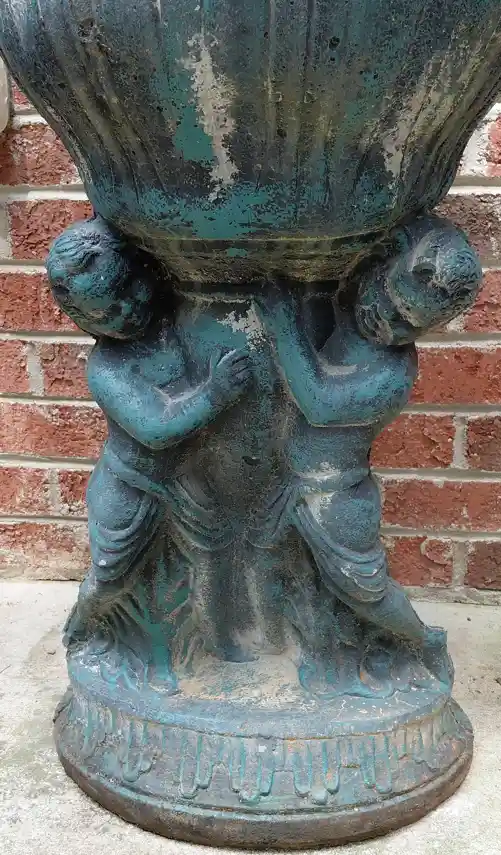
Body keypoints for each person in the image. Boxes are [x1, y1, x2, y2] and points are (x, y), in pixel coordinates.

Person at [253, 214, 481, 687]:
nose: (388, 325)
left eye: (407, 326)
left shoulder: (393, 373)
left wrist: (283, 327)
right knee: (280, 569)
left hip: (336, 497)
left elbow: (318, 403)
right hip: (293, 484)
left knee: (364, 588)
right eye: (390, 302)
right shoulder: (350, 318)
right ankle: (295, 647)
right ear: (378, 267)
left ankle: (423, 640)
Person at [47, 216, 253, 669]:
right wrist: (214, 394)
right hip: (130, 486)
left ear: (146, 272)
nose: (126, 312)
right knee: (113, 572)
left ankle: (219, 637)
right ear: (82, 319)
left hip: (188, 480)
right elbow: (156, 429)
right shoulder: (108, 367)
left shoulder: (175, 326)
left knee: (215, 557)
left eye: (128, 291)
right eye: (105, 314)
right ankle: (87, 623)